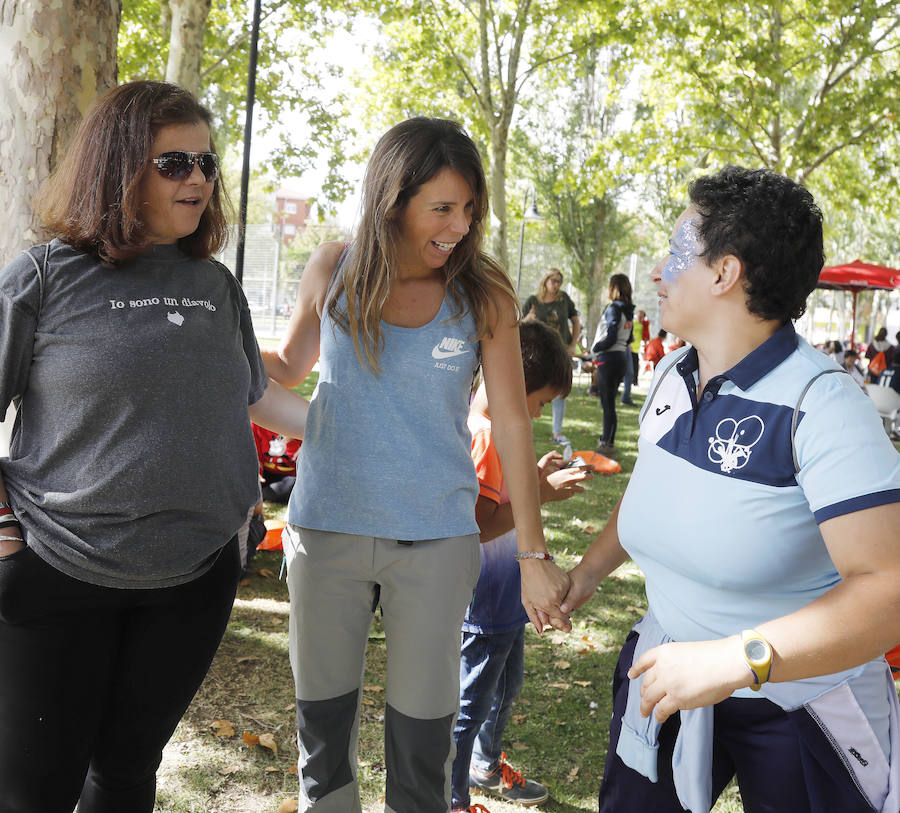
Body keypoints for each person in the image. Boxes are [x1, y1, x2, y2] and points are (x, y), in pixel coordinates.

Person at [0, 80, 307, 813]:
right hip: (57, 577)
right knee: (33, 792)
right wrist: (7, 535)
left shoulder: (216, 288)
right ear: (117, 168)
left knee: (129, 771)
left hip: (191, 585)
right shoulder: (41, 279)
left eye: (206, 164)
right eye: (174, 163)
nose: (197, 179)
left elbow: (250, 396)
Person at [561, 166, 900, 813]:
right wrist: (587, 573)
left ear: (724, 273)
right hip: (667, 670)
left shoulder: (822, 405)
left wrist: (738, 658)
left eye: (675, 252)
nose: (660, 271)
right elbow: (650, 496)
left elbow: (889, 591)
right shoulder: (672, 374)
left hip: (807, 703)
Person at [262, 117, 572, 813]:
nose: (459, 226)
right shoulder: (334, 268)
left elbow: (515, 421)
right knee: (324, 744)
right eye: (442, 208)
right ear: (392, 200)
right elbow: (284, 367)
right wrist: (204, 334)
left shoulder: (482, 293)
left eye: (469, 209)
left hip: (435, 542)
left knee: (422, 752)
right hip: (326, 531)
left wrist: (532, 552)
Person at [452, 320, 592, 813]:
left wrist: (533, 478)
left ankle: (485, 767)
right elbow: (480, 524)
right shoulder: (486, 434)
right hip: (485, 604)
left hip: (509, 601)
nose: (534, 416)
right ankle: (451, 794)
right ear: (514, 383)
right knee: (470, 704)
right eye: (537, 404)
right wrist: (541, 494)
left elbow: (502, 496)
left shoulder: (493, 430)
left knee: (506, 687)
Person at [523, 268, 582, 445]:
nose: (556, 285)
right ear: (545, 280)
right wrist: (528, 318)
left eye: (559, 281)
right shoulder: (534, 300)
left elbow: (576, 322)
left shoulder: (564, 299)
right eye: (553, 280)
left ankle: (557, 433)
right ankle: (526, 430)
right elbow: (523, 325)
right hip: (539, 354)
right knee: (533, 391)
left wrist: (573, 345)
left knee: (559, 392)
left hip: (561, 352)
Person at [591, 273, 634, 457]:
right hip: (621, 358)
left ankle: (605, 444)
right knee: (610, 404)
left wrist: (595, 348)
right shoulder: (628, 310)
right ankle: (608, 440)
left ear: (613, 288)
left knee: (607, 403)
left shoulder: (613, 309)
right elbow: (629, 337)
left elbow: (611, 336)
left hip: (607, 360)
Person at [252, 421, 301, 503]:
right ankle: (260, 493)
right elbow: (255, 455)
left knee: (289, 488)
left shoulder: (298, 427)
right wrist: (257, 474)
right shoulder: (257, 425)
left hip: (290, 476)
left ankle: (262, 494)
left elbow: (301, 461)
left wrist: (289, 441)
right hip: (266, 474)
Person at [622, 308, 647, 405]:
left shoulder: (644, 325)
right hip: (629, 348)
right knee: (628, 370)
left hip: (636, 349)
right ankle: (625, 393)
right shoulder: (632, 322)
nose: (640, 318)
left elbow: (645, 336)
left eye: (642, 317)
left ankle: (633, 384)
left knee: (634, 368)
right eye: (639, 316)